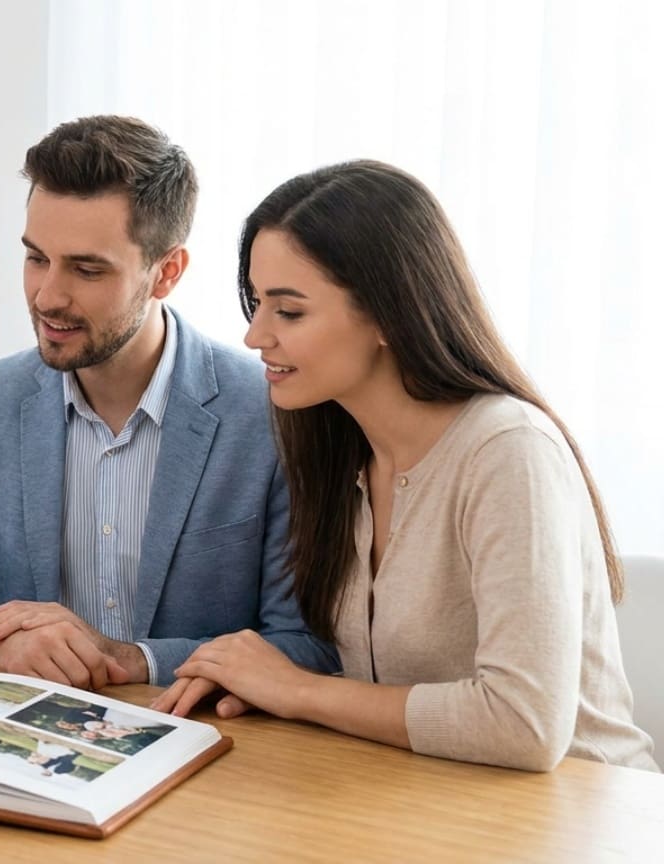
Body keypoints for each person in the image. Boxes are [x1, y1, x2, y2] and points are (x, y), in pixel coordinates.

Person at [152, 160, 658, 773]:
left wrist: (298, 690)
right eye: (257, 304)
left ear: (389, 315)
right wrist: (249, 679)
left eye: (289, 312)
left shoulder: (508, 451)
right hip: (426, 803)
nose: (256, 336)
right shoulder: (338, 452)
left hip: (580, 821)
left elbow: (524, 725)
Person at [0, 115, 337, 690]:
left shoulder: (272, 413)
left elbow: (306, 642)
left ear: (166, 272)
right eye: (36, 258)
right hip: (31, 743)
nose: (47, 296)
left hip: (206, 750)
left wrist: (136, 659)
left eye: (87, 269)